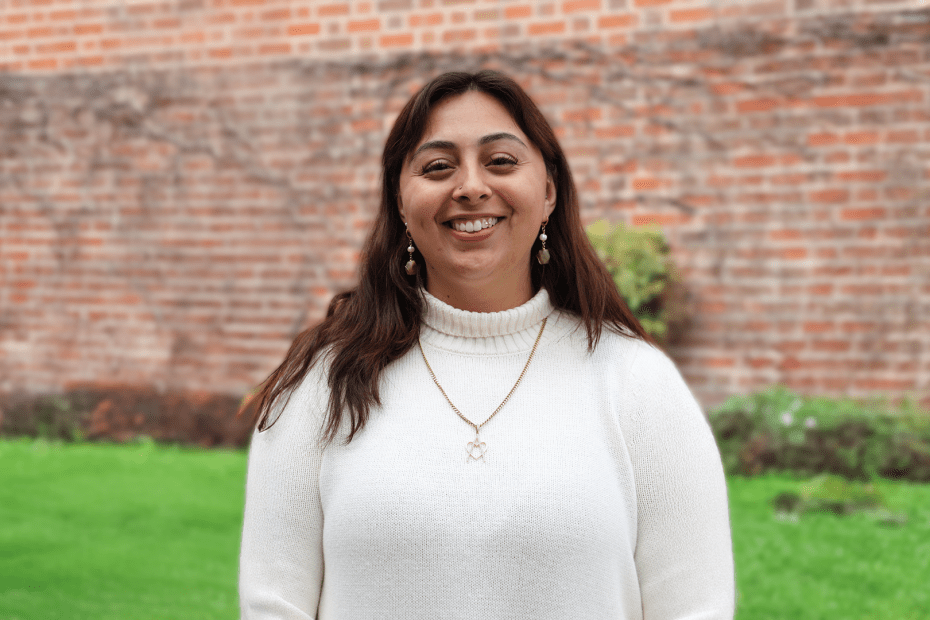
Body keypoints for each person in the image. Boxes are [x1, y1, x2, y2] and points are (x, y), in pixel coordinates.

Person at [238, 70, 735, 619]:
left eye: (501, 161)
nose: (471, 186)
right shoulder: (322, 382)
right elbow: (272, 605)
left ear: (548, 192)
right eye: (437, 166)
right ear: (401, 204)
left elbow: (695, 608)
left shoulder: (637, 381)